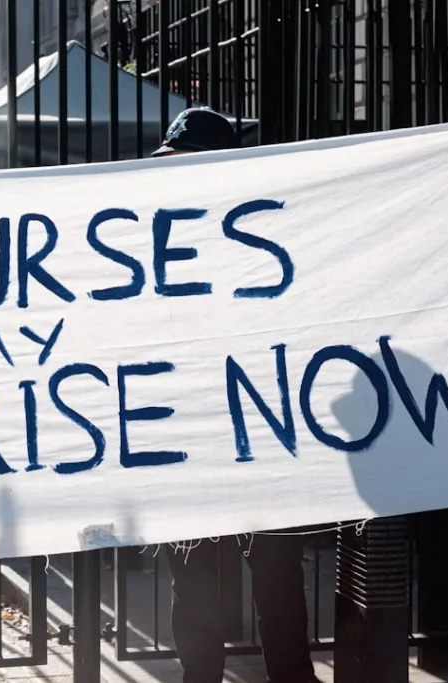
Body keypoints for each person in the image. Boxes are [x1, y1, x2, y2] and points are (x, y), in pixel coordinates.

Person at [152, 109, 318, 683]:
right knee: (194, 577)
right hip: (188, 430)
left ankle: (292, 677)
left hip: (262, 426)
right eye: (170, 162)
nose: (175, 173)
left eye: (184, 159)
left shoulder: (267, 228)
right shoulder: (157, 230)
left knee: (276, 573)